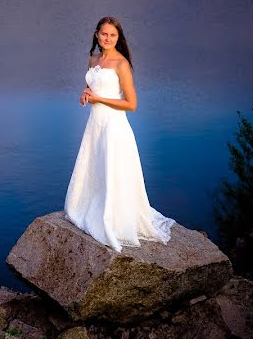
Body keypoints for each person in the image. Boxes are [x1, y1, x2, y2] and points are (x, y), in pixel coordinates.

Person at [64, 16, 175, 251]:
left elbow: (132, 104)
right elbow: (93, 87)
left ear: (118, 37)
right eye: (104, 34)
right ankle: (90, 204)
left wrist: (99, 99)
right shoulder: (93, 59)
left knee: (113, 171)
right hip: (95, 124)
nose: (107, 38)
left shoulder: (121, 64)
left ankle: (114, 218)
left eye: (112, 35)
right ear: (97, 34)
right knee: (96, 168)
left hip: (114, 126)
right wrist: (86, 93)